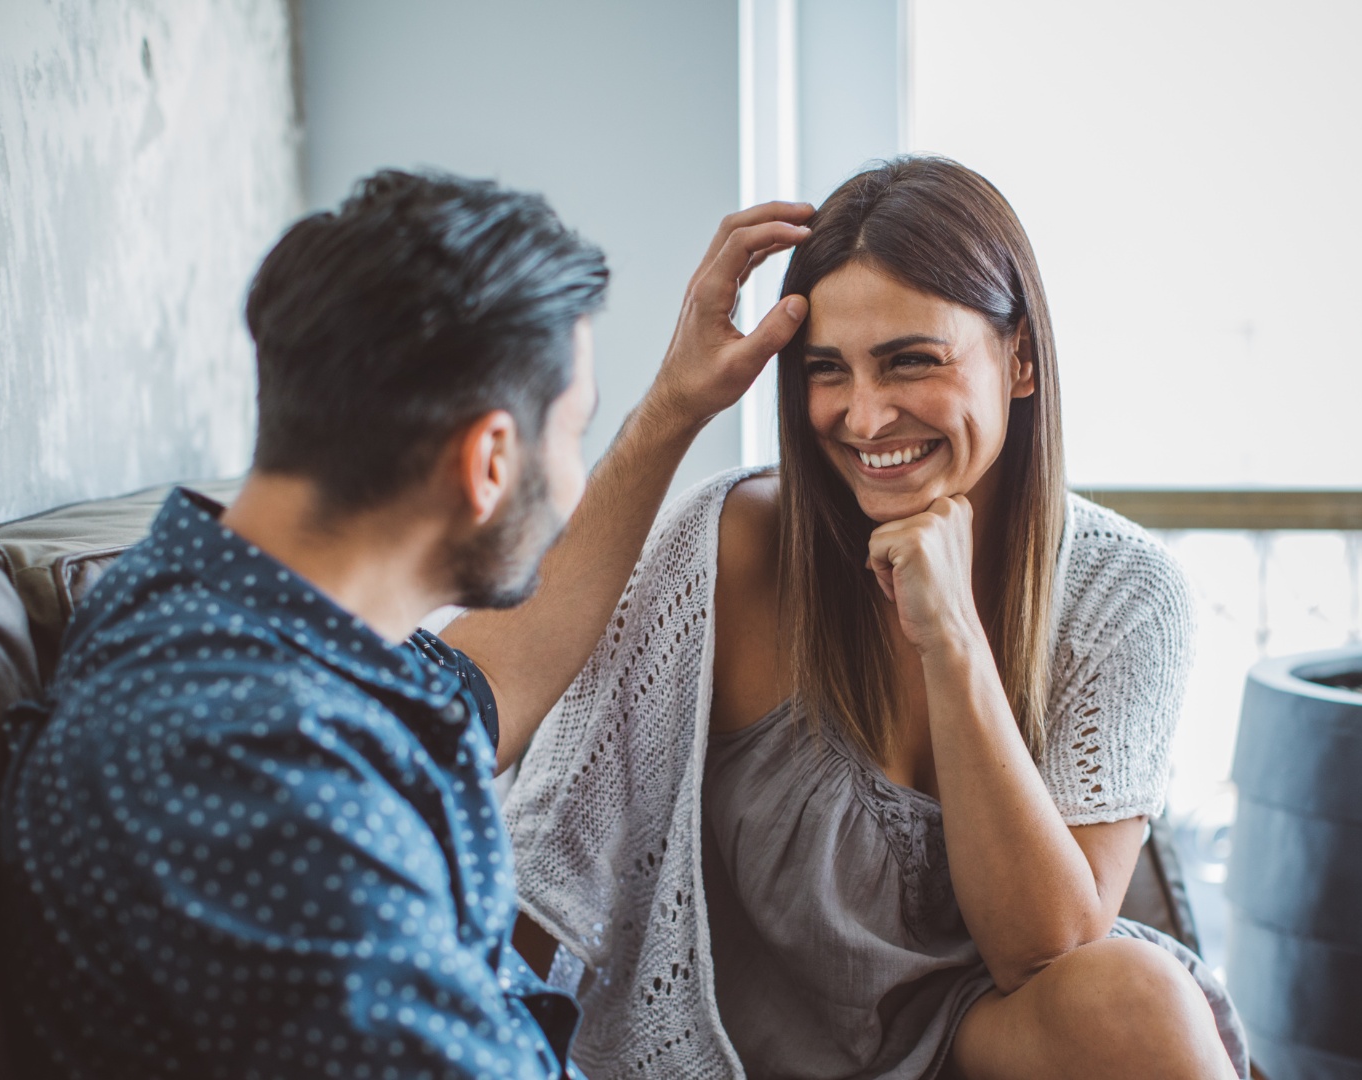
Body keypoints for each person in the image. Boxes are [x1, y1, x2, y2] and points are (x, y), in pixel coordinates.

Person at [0, 169, 815, 1078]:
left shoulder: (228, 618)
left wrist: (674, 407)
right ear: (490, 460)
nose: (571, 474)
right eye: (570, 434)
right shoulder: (250, 776)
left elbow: (491, 683)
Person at [491, 157, 1249, 1079]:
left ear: (1021, 360)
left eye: (911, 362)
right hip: (735, 1057)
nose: (864, 415)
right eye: (827, 372)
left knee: (1139, 999)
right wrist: (676, 401)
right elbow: (534, 820)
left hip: (985, 1047)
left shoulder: (1127, 594)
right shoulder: (732, 547)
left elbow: (1047, 952)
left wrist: (952, 638)